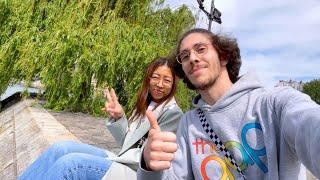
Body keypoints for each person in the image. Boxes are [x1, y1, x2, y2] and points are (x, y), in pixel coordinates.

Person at [138, 28, 320, 179]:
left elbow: (310, 125)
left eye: (200, 49)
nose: (192, 58)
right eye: (184, 56)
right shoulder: (189, 123)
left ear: (223, 56)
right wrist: (148, 164)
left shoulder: (273, 104)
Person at [19, 57, 183, 180]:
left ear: (173, 85)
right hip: (123, 159)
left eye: (167, 80)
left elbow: (150, 160)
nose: (160, 84)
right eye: (155, 77)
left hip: (137, 172)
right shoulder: (147, 104)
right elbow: (127, 143)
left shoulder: (173, 114)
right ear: (148, 78)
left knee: (71, 165)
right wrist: (119, 117)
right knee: (60, 148)